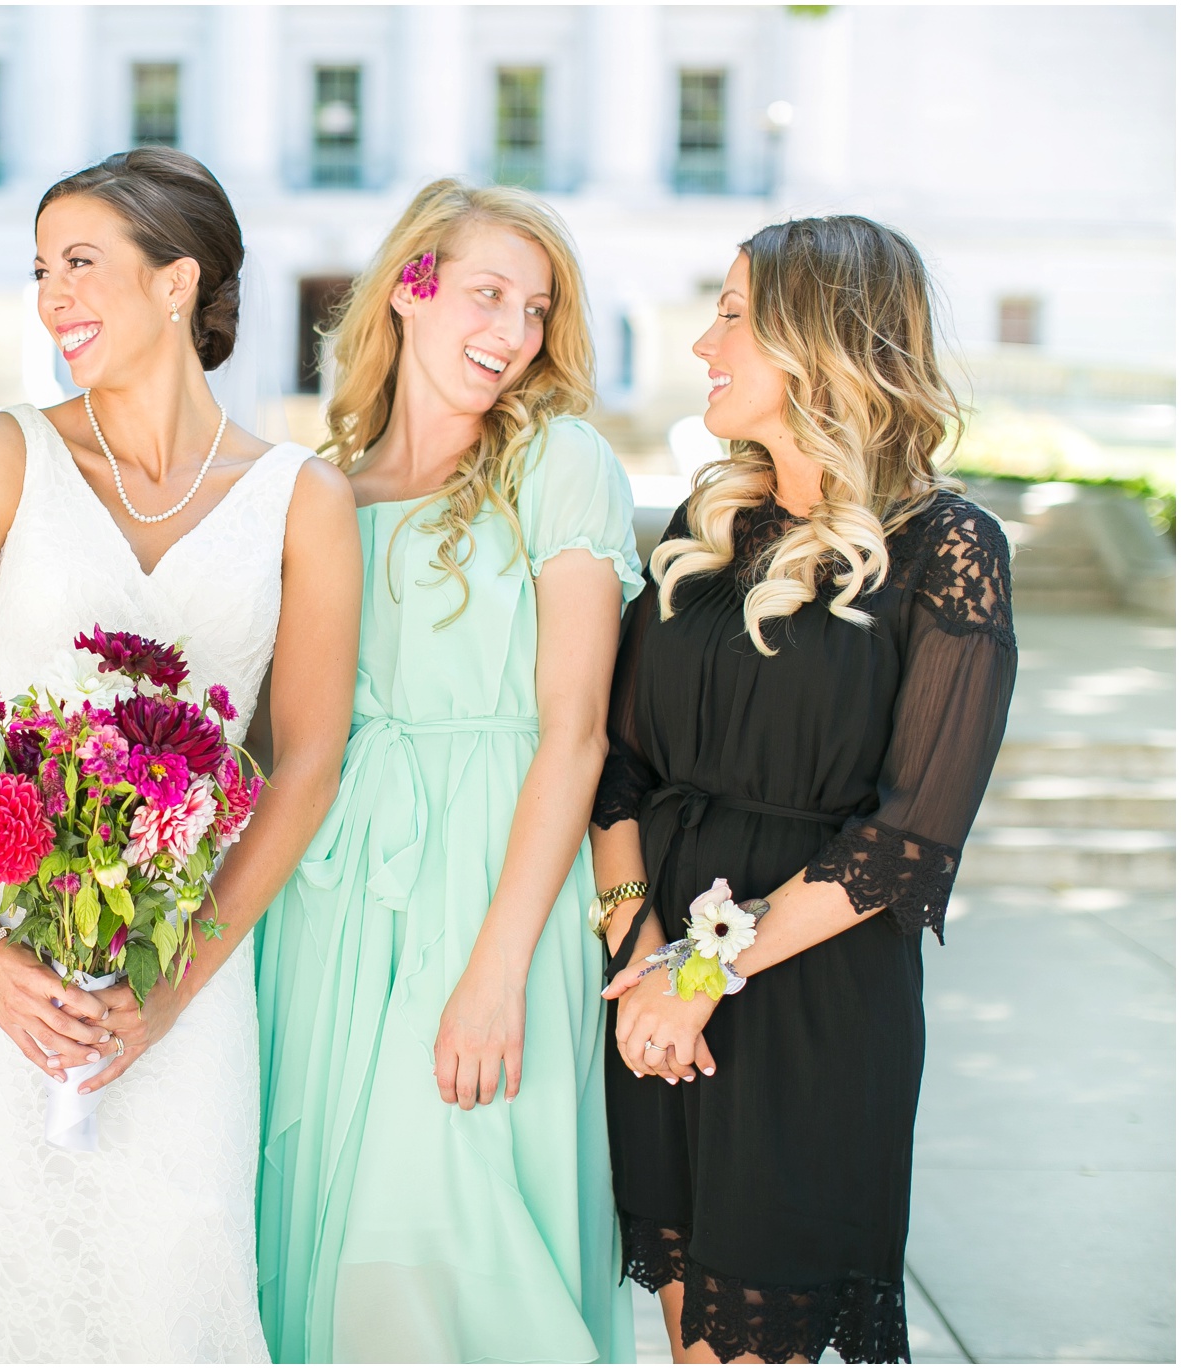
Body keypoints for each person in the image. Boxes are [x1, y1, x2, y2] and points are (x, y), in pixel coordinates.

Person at [0, 146, 362, 1363]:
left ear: (175, 282)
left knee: (173, 1287)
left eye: (81, 264)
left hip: (184, 972)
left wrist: (172, 984)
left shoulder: (303, 498)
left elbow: (305, 762)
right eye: (41, 270)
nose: (52, 298)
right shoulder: (3, 455)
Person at [592, 216, 1016, 1364]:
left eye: (732, 313)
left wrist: (696, 969)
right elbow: (618, 764)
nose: (702, 344)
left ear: (822, 340)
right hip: (651, 996)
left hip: (807, 997)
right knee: (687, 1336)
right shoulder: (704, 528)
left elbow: (909, 835)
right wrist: (634, 948)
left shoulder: (947, 546)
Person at [255, 179, 640, 1364]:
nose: (513, 334)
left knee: (447, 1240)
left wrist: (496, 970)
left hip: (491, 877)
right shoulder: (317, 487)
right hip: (329, 894)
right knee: (322, 1229)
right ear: (411, 287)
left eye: (535, 310)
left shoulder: (558, 462)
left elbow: (573, 731)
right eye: (488, 294)